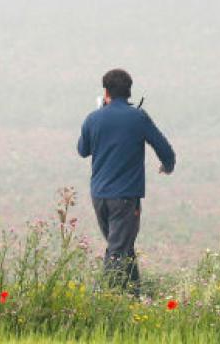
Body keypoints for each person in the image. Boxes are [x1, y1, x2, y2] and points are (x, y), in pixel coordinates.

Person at [77, 68, 176, 291]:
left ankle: (134, 296)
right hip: (124, 199)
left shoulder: (93, 118)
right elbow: (164, 149)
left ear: (106, 92)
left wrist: (98, 118)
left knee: (122, 247)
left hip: (99, 196)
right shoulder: (138, 117)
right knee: (117, 252)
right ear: (129, 92)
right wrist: (167, 166)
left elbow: (82, 150)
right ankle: (102, 300)